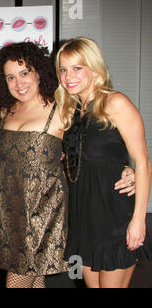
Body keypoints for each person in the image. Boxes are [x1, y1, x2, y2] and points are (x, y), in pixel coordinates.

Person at [56, 37, 152, 288]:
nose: (68, 76)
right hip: (84, 218)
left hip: (114, 216)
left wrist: (139, 220)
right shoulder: (73, 110)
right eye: (63, 69)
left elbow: (142, 162)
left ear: (95, 68)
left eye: (77, 68)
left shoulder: (115, 102)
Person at [0, 42, 69, 288]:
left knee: (16, 282)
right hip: (9, 208)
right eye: (10, 77)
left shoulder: (63, 109)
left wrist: (126, 169)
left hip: (44, 209)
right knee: (35, 281)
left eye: (24, 73)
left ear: (39, 73)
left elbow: (98, 146)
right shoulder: (5, 110)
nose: (19, 83)